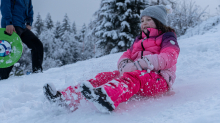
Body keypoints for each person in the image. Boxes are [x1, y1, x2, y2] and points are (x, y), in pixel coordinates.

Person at [43, 5, 180, 112]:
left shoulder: (167, 36)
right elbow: (127, 54)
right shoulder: (139, 39)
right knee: (106, 76)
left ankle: (107, 97)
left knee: (137, 76)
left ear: (159, 21)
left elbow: (170, 56)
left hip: (159, 80)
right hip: (137, 73)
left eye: (149, 19)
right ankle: (66, 98)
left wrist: (143, 63)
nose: (144, 23)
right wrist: (124, 64)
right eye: (142, 20)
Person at [0, 0, 44, 80]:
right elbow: (5, 5)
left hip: (22, 26)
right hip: (12, 25)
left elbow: (29, 8)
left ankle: (37, 72)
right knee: (10, 51)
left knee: (37, 45)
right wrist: (8, 22)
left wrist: (29, 22)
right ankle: (1, 77)